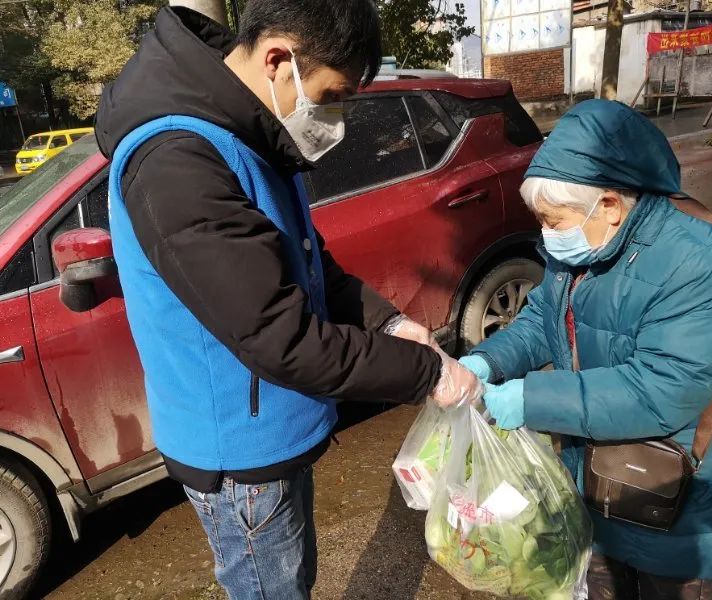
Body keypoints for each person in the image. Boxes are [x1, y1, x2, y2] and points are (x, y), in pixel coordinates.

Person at [95, 2, 482, 598]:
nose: (337, 116)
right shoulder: (180, 160)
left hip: (274, 424)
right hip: (239, 452)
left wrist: (391, 323)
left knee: (290, 578)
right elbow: (283, 338)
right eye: (334, 96)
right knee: (272, 586)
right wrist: (426, 370)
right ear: (280, 59)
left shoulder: (247, 130)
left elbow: (309, 265)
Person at [460, 100, 712, 600]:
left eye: (552, 220)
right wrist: (488, 361)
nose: (546, 234)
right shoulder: (585, 245)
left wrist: (527, 399)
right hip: (599, 484)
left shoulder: (699, 260)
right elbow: (540, 319)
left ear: (608, 205)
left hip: (684, 506)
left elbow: (664, 390)